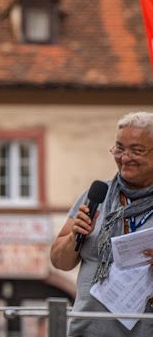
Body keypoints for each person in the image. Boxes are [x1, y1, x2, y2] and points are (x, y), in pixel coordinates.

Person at [50, 111, 153, 336]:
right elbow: (59, 261)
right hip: (87, 330)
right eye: (119, 148)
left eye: (136, 150)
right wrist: (74, 237)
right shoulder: (97, 196)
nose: (125, 157)